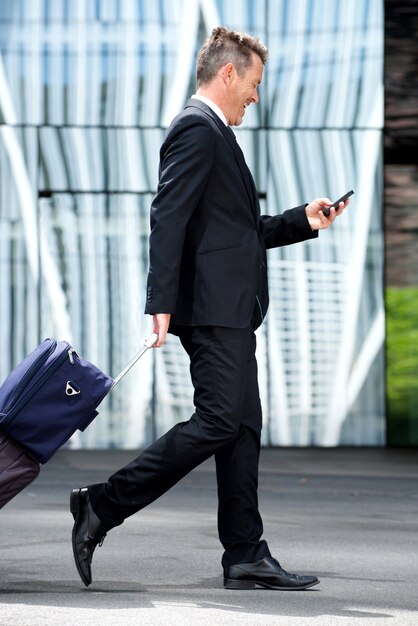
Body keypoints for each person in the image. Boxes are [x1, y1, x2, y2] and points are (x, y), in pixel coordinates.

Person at [70, 26, 349, 590]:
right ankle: (102, 504)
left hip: (229, 310)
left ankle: (245, 553)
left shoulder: (217, 135)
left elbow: (235, 233)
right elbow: (166, 218)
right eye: (254, 83)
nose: (255, 95)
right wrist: (160, 303)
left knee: (242, 427)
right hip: (211, 310)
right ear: (229, 73)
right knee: (221, 420)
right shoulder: (197, 131)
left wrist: (302, 220)